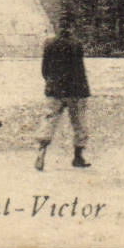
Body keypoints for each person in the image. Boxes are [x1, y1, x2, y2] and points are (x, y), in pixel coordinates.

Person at [35, 23, 92, 170]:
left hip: (54, 90)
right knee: (79, 123)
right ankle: (78, 156)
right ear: (71, 28)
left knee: (49, 120)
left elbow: (44, 68)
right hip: (76, 90)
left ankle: (42, 150)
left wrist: (50, 82)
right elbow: (80, 69)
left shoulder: (49, 43)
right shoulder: (76, 44)